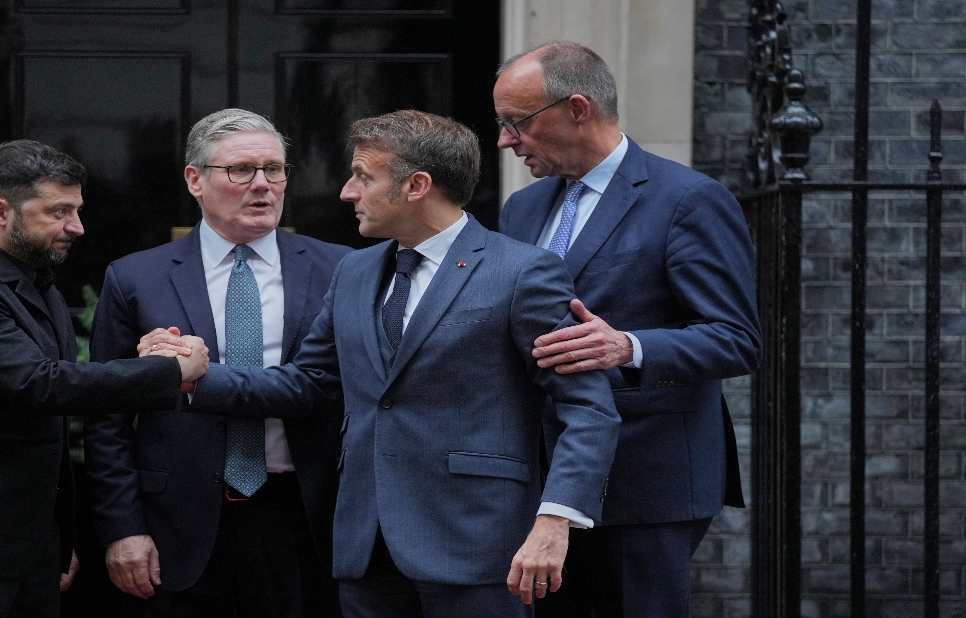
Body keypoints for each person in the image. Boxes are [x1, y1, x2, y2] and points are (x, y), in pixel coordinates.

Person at [183, 110, 620, 618]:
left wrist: (555, 520)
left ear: (416, 185)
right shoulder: (355, 270)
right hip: (365, 548)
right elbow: (309, 383)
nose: (347, 192)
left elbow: (588, 410)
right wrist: (195, 377)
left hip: (480, 547)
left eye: (363, 177)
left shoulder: (522, 272)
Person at [0, 139, 208, 618]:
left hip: (22, 549)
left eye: (77, 210)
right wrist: (169, 369)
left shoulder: (36, 284)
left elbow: (49, 403)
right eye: (59, 212)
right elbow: (42, 385)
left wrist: (56, 538)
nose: (77, 227)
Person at [494, 42, 762, 617]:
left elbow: (736, 338)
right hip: (544, 476)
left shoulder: (687, 199)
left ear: (577, 108)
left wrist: (628, 346)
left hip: (647, 478)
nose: (505, 140)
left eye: (516, 123)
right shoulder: (522, 209)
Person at [84, 109, 351, 617]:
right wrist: (122, 528)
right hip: (176, 520)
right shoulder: (136, 277)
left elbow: (338, 387)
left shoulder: (340, 269)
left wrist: (197, 378)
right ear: (195, 180)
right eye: (241, 170)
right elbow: (108, 418)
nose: (263, 185)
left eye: (274, 169)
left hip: (304, 514)